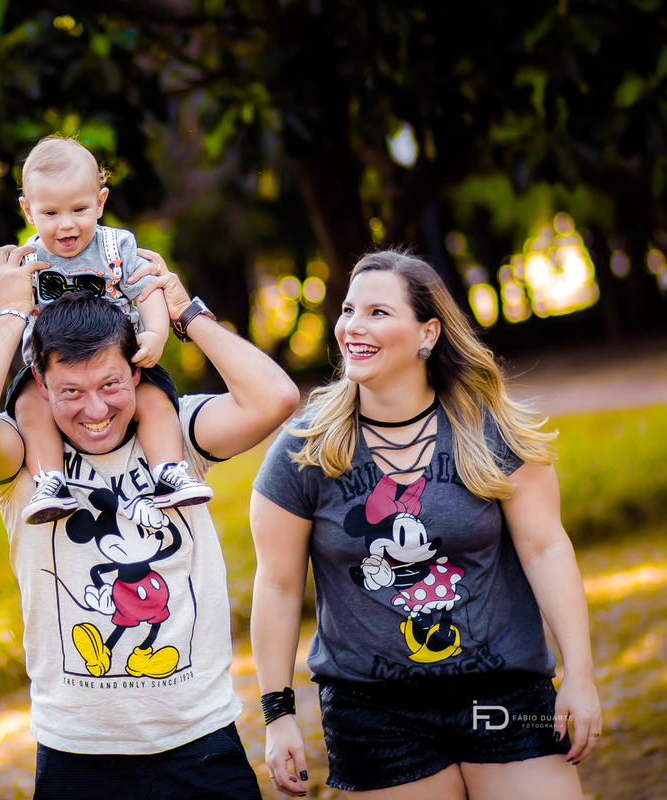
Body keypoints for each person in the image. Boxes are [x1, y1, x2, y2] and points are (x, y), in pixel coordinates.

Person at [0, 242, 299, 798]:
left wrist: (187, 314)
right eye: (70, 392)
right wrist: (10, 311)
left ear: (136, 370)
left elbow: (275, 397)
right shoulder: (24, 458)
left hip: (200, 742)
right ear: (40, 383)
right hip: (76, 754)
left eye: (110, 385)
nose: (95, 410)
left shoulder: (175, 435)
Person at [249, 249, 602, 798]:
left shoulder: (491, 431)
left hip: (505, 694)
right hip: (373, 713)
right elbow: (277, 584)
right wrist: (278, 714)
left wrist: (579, 674)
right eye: (348, 310)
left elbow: (547, 550)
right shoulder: (305, 450)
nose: (352, 326)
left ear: (428, 333)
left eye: (378, 312)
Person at [0, 136, 211, 525]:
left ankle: (169, 471)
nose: (66, 224)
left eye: (79, 209)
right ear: (28, 211)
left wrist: (155, 333)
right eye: (51, 213)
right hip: (50, 369)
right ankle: (50, 481)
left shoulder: (115, 248)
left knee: (155, 401)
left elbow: (147, 288)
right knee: (29, 405)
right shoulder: (26, 258)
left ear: (100, 203)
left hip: (117, 363)